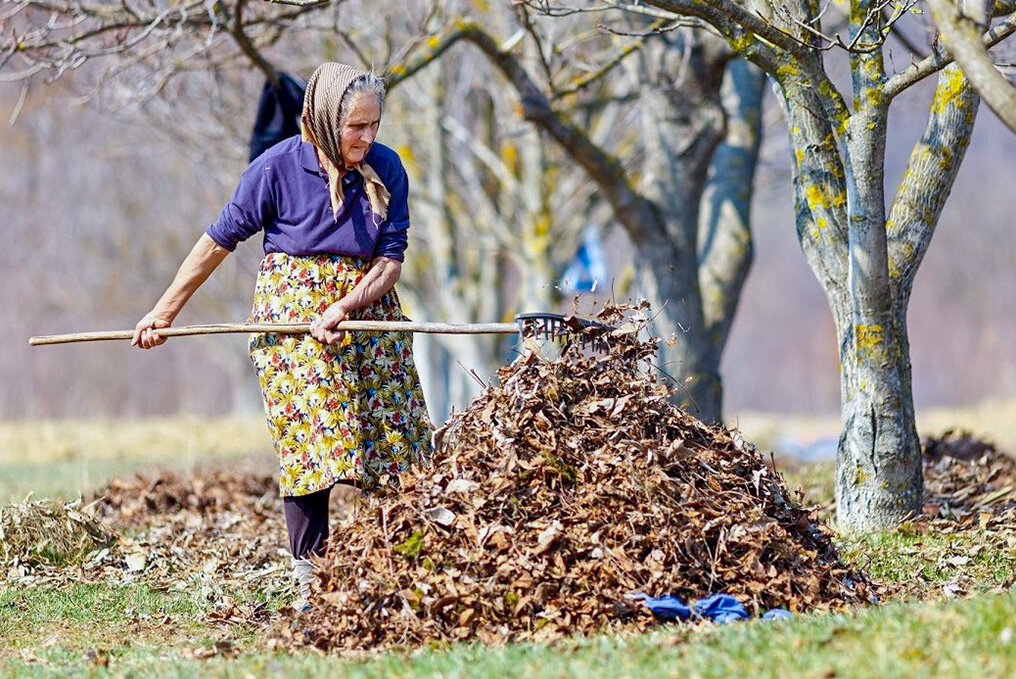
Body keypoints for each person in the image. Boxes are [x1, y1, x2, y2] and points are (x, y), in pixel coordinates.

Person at [131, 62, 433, 609]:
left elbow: (391, 259)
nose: (368, 137)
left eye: (374, 125)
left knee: (397, 442)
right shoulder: (275, 168)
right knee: (312, 444)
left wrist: (347, 305)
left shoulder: (387, 167)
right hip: (293, 317)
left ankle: (396, 573)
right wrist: (164, 312)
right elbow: (217, 242)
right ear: (325, 120)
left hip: (367, 308)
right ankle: (312, 586)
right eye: (356, 126)